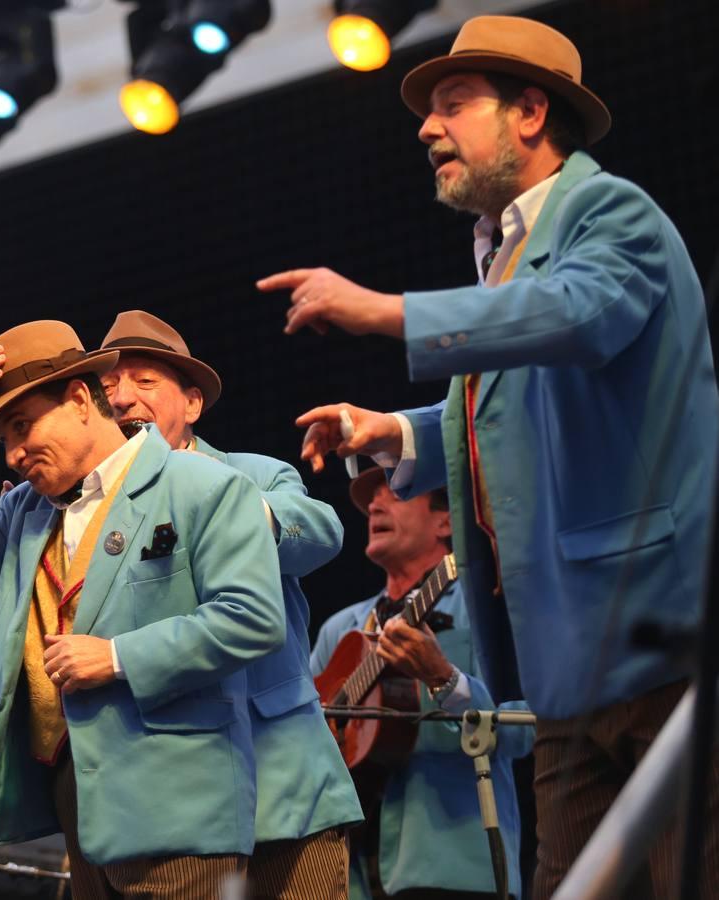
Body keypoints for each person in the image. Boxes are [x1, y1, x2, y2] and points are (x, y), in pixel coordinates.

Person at [256, 15, 719, 896]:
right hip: (565, 671)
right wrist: (392, 432)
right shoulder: (504, 256)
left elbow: (582, 316)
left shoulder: (611, 212)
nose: (428, 129)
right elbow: (505, 411)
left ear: (532, 113)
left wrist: (385, 311)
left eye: (453, 105)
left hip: (662, 643)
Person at [0, 319, 285, 898]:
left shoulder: (204, 486)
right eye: (2, 437)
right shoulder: (22, 512)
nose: (14, 452)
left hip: (179, 802)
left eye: (22, 426)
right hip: (75, 801)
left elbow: (253, 617)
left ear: (80, 399)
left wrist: (119, 657)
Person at [95, 310, 360, 897]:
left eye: (143, 382)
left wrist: (217, 496)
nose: (122, 399)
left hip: (281, 772)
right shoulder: (98, 510)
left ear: (192, 404)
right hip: (173, 792)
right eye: (110, 387)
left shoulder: (250, 474)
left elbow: (322, 532)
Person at [310, 468, 530, 899]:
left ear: (446, 522)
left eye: (393, 492)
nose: (374, 505)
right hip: (348, 879)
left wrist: (445, 680)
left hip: (454, 871)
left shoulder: (484, 606)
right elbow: (300, 737)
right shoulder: (341, 631)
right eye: (371, 499)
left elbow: (526, 729)